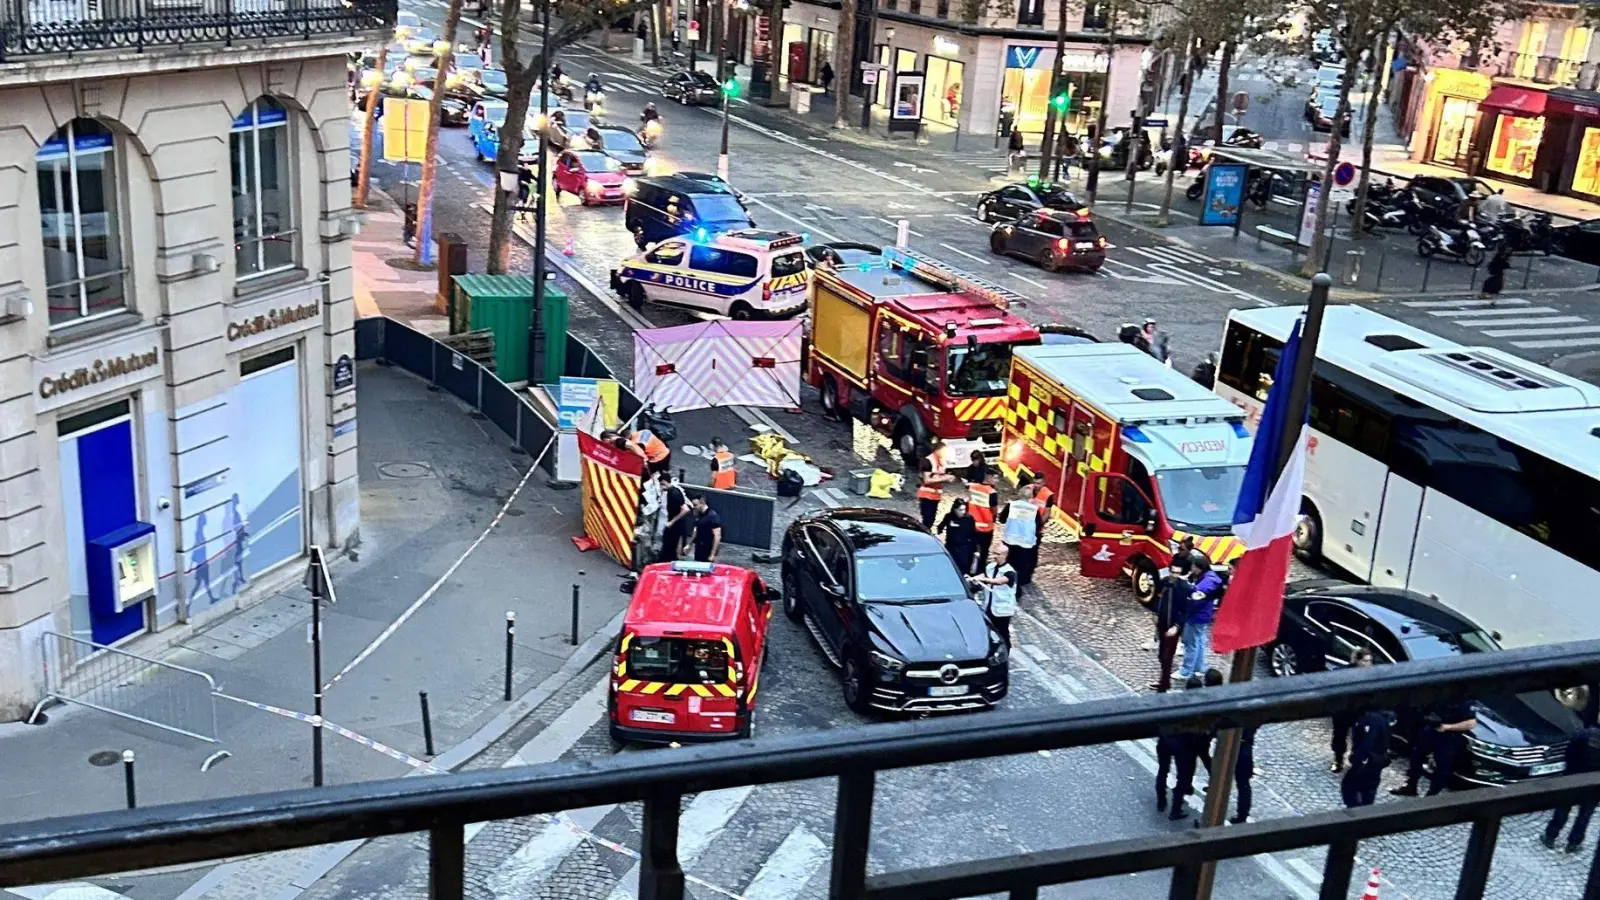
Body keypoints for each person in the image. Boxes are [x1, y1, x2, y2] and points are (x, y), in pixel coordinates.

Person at [1391, 698, 1478, 797]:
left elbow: (1471, 723)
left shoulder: (1464, 699)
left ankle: (1432, 795)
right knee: (1416, 756)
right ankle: (1411, 786)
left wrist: (1447, 727)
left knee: (1442, 766)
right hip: (1432, 729)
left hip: (1450, 736)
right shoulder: (1441, 693)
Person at [1544, 725, 1600, 852]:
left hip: (1572, 779)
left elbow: (1569, 754)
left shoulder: (1583, 734)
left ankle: (1551, 835)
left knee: (1563, 808)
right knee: (1584, 815)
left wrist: (1570, 771)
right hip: (1593, 786)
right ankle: (1574, 842)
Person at [1167, 674, 1210, 820]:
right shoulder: (1199, 707)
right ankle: (1175, 809)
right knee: (1184, 776)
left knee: (1184, 773)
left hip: (1179, 744)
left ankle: (1185, 790)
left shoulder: (1180, 702)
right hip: (1187, 746)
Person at [1147, 555, 1191, 693]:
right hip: (1162, 623)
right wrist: (1154, 613)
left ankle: (1164, 684)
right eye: (1172, 572)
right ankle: (1163, 681)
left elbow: (1185, 611)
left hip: (1173, 626)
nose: (1174, 575)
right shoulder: (1165, 582)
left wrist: (1177, 627)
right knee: (1161, 655)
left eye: (1177, 573)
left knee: (1167, 656)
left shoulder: (1184, 588)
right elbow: (1157, 598)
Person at [1330, 648, 1375, 772]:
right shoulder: (1345, 673)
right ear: (1358, 661)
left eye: (1370, 661)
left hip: (1359, 713)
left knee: (1360, 738)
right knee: (1339, 737)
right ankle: (1338, 759)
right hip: (1343, 712)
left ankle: (1356, 760)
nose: (1368, 664)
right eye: (1365, 661)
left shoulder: (1372, 675)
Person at [1341, 706, 1394, 808]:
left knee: (1350, 787)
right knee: (1368, 789)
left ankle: (1357, 811)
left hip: (1368, 760)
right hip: (1376, 759)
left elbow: (1368, 741)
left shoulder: (1371, 719)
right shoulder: (1380, 717)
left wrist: (1356, 757)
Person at [1178, 554, 1221, 680]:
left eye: (1193, 567)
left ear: (1199, 568)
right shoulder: (1210, 578)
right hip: (1203, 615)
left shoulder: (1205, 583)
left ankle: (1186, 671)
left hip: (1195, 616)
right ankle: (1199, 667)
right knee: (1199, 641)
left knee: (1191, 643)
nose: (1191, 569)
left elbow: (1194, 598)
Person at [997, 484, 1044, 587]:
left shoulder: (1012, 505)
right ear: (1031, 497)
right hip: (1025, 542)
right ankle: (1019, 583)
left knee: (1009, 561)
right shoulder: (1034, 510)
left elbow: (1001, 519)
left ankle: (1007, 580)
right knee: (1021, 564)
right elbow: (1039, 525)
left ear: (1019, 494)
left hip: (1010, 539)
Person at [971, 544, 1017, 646]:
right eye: (994, 553)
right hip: (990, 606)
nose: (995, 556)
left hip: (1003, 609)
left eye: (998, 554)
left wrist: (983, 579)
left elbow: (999, 581)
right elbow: (985, 575)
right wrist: (973, 578)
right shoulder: (991, 566)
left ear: (1005, 555)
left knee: (1003, 633)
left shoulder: (1009, 571)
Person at [656, 470, 691, 562]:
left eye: (662, 484)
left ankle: (664, 562)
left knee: (668, 545)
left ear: (665, 482)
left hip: (674, 524)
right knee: (670, 546)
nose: (661, 487)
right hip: (675, 524)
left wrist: (672, 521)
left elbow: (685, 509)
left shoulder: (673, 494)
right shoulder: (675, 491)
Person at [967, 468, 999, 572]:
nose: (997, 480)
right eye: (995, 478)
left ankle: (968, 570)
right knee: (984, 552)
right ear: (988, 478)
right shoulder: (992, 492)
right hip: (986, 529)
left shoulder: (973, 487)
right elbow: (994, 510)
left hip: (972, 526)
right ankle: (980, 571)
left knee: (970, 550)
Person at [938, 498, 979, 576]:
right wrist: (940, 534)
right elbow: (940, 526)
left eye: (964, 510)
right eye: (960, 510)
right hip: (951, 546)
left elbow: (973, 534)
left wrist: (975, 550)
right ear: (955, 509)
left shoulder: (969, 518)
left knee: (962, 568)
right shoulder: (949, 517)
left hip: (964, 548)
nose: (962, 512)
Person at [1232, 723, 1259, 824]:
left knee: (1243, 784)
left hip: (1241, 747)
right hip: (1245, 746)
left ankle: (1242, 814)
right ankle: (1242, 814)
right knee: (1244, 784)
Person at [915, 454, 951, 529]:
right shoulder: (929, 460)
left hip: (935, 496)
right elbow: (926, 480)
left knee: (930, 519)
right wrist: (945, 478)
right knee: (928, 519)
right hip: (926, 495)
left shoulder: (941, 461)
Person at [690, 495, 722, 563]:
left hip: (708, 548)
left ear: (702, 503)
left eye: (695, 505)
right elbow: (695, 530)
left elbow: (717, 537)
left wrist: (712, 554)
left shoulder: (712, 516)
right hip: (699, 547)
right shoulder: (699, 515)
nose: (694, 507)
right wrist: (689, 544)